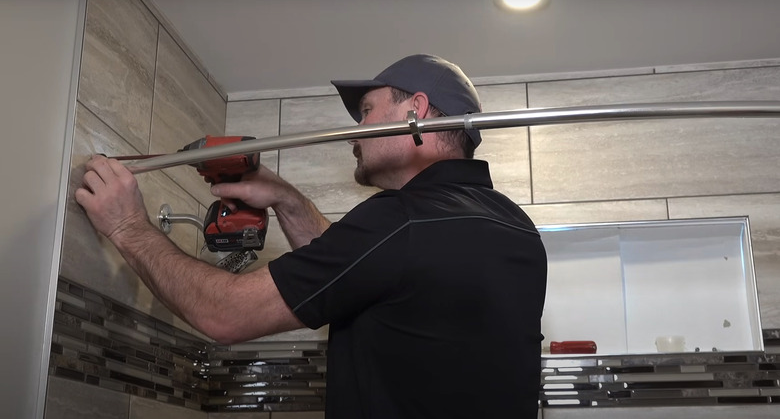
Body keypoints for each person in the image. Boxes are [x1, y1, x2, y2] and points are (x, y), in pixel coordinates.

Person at [76, 54, 547, 418]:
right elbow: (367, 272)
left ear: (416, 112)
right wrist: (287, 199)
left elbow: (225, 315)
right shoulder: (514, 227)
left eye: (366, 112)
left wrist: (127, 226)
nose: (354, 133)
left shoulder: (403, 219)